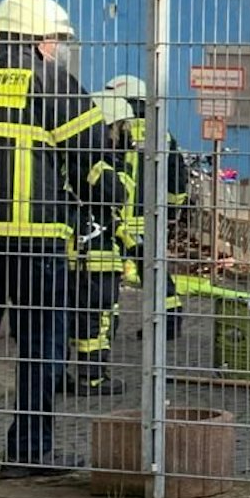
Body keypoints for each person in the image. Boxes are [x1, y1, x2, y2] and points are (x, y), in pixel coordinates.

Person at [0, 0, 104, 477]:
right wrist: (97, 214)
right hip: (35, 237)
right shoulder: (48, 81)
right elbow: (95, 154)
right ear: (37, 39)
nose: (58, 49)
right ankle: (28, 454)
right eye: (56, 40)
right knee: (42, 345)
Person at [61, 92, 138, 398]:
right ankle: (92, 378)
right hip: (95, 254)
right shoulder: (93, 160)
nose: (122, 135)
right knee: (98, 319)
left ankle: (59, 374)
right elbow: (117, 194)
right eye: (119, 128)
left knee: (68, 316)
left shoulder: (66, 156)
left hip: (73, 251)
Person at [103, 74, 190, 338]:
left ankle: (106, 330)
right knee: (155, 273)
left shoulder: (114, 128)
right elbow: (177, 176)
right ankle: (168, 323)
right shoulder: (161, 132)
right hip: (149, 219)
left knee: (106, 276)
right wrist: (173, 210)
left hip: (114, 219)